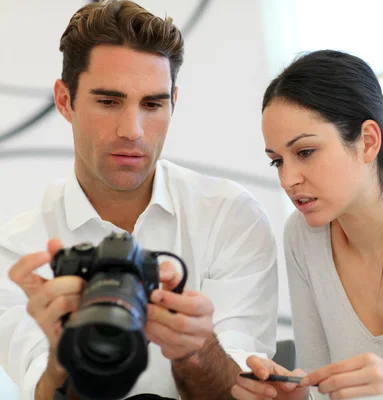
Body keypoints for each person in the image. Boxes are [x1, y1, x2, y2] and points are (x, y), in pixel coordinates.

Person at [0, 1, 278, 399]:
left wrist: (197, 351)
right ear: (65, 101)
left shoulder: (230, 216)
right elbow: (41, 387)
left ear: (174, 102)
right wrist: (65, 358)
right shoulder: (19, 253)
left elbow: (241, 391)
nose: (132, 130)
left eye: (152, 104)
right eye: (108, 101)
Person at [231, 50, 383, 400]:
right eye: (277, 162)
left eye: (305, 152)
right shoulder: (303, 236)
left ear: (368, 141)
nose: (288, 180)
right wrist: (295, 396)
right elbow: (321, 388)